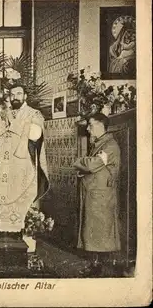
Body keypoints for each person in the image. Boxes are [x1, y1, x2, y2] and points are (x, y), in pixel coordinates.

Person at [0, 85, 50, 239]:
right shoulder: (2, 114)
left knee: (20, 192)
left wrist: (13, 123)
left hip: (22, 163)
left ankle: (19, 229)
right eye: (12, 94)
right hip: (3, 162)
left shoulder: (34, 114)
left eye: (19, 94)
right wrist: (5, 122)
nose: (15, 97)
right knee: (0, 191)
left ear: (25, 96)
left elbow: (35, 134)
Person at [73, 113, 121, 275]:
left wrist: (78, 161)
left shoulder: (110, 146)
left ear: (101, 125)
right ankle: (95, 264)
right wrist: (84, 168)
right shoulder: (100, 144)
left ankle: (97, 267)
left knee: (99, 230)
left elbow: (92, 165)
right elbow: (93, 167)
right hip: (94, 194)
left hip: (101, 196)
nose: (88, 129)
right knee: (93, 230)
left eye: (91, 125)